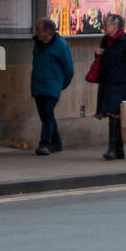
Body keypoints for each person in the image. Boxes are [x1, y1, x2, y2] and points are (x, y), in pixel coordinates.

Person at [94, 11, 126, 159]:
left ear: (116, 26)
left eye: (106, 24)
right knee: (111, 115)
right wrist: (97, 55)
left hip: (122, 84)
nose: (104, 27)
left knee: (115, 115)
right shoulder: (105, 40)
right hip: (108, 82)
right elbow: (103, 60)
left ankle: (112, 149)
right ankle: (119, 150)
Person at [30, 17, 74, 155]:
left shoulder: (61, 45)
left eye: (39, 30)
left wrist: (60, 85)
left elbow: (69, 69)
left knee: (48, 113)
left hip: (52, 85)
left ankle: (44, 144)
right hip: (38, 84)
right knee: (45, 115)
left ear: (48, 32)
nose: (36, 32)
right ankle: (57, 143)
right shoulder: (37, 44)